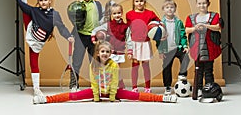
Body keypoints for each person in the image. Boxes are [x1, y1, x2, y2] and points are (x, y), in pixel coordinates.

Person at [33, 41, 177, 104]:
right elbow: (94, 81)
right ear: (98, 52)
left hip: (113, 92)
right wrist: (96, 96)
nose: (105, 54)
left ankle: (163, 98)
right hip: (97, 92)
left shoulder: (113, 65)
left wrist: (112, 97)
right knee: (73, 96)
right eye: (103, 51)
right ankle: (46, 99)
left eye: (108, 52)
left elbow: (114, 81)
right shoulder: (93, 65)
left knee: (136, 96)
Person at [11, 0, 74, 98]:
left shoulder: (55, 15)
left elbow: (61, 28)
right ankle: (36, 89)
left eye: (45, 0)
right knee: (25, 9)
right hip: (31, 28)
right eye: (40, 0)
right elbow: (21, 4)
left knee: (26, 9)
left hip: (39, 40)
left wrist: (68, 36)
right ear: (38, 2)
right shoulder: (35, 10)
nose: (43, 2)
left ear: (50, 0)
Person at [185, 0, 222, 96]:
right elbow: (187, 30)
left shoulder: (214, 15)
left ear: (208, 3)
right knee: (198, 70)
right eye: (200, 3)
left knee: (209, 70)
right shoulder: (191, 18)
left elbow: (218, 27)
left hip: (209, 48)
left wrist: (205, 25)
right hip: (197, 48)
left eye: (204, 3)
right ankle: (199, 89)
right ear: (196, 4)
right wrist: (195, 28)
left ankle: (210, 89)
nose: (202, 6)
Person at [69, 0, 103, 91]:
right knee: (76, 61)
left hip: (93, 38)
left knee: (95, 62)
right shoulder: (77, 6)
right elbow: (74, 21)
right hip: (80, 37)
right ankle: (74, 84)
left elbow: (101, 19)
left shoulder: (97, 5)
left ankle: (96, 85)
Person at [126, 0, 161, 93]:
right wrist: (129, 48)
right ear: (133, 2)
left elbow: (159, 24)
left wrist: (161, 32)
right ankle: (134, 87)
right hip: (134, 43)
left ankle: (147, 87)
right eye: (137, 1)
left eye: (141, 1)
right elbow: (128, 31)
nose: (139, 3)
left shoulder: (150, 13)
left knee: (146, 66)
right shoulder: (129, 14)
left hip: (145, 43)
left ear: (145, 2)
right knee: (135, 66)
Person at [91, 2, 128, 89]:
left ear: (122, 13)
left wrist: (129, 49)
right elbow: (95, 30)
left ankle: (120, 84)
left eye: (119, 13)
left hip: (120, 51)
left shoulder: (125, 26)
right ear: (111, 14)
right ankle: (104, 84)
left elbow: (129, 38)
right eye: (114, 13)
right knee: (108, 68)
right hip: (110, 52)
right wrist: (93, 38)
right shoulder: (108, 25)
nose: (117, 15)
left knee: (117, 69)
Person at [157, 0, 190, 95]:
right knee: (166, 68)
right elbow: (158, 39)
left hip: (178, 47)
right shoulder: (161, 23)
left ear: (175, 9)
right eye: (167, 7)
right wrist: (160, 51)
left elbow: (183, 34)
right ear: (163, 9)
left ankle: (182, 75)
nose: (169, 9)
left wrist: (185, 45)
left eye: (172, 7)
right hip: (167, 49)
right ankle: (167, 86)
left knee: (185, 58)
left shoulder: (178, 22)